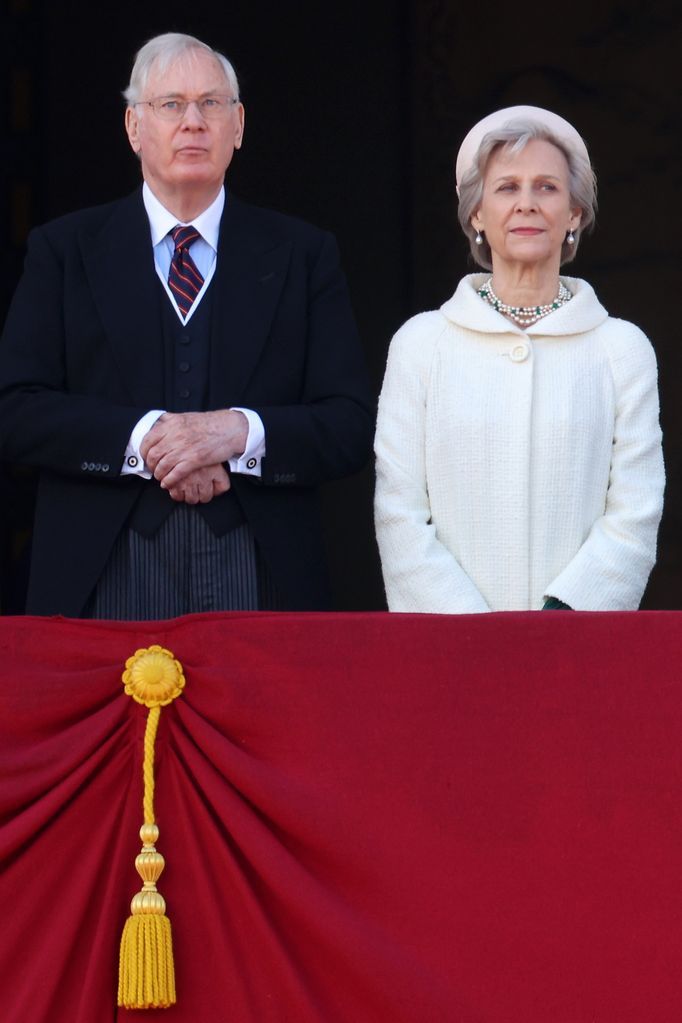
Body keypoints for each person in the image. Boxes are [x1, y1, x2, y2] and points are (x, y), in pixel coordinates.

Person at [0, 32, 373, 618]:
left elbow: (350, 423)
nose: (193, 121)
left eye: (212, 103)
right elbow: (15, 409)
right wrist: (150, 440)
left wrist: (237, 435)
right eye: (170, 104)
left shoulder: (303, 254)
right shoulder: (64, 251)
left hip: (262, 572)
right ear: (133, 127)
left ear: (239, 125)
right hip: (102, 574)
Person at [374, 105, 664, 613]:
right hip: (449, 651)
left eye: (546, 187)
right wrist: (471, 630)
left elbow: (635, 511)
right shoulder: (421, 345)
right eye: (507, 187)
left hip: (576, 652)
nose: (526, 204)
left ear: (574, 212)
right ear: (477, 213)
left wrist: (563, 619)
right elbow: (399, 510)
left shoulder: (622, 350)